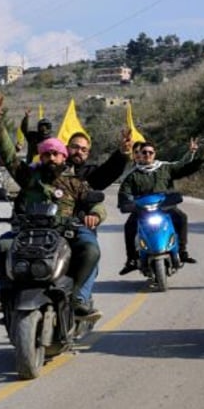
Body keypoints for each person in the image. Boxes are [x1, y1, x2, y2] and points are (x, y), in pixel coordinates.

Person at [0, 92, 106, 318]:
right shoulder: (29, 178)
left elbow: (96, 204)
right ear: (40, 156)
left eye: (55, 154)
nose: (51, 157)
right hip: (29, 232)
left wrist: (96, 216)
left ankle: (78, 296)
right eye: (46, 154)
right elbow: (9, 154)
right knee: (0, 247)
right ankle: (6, 294)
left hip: (66, 232)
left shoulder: (74, 182)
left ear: (63, 157)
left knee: (91, 249)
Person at [118, 137, 204, 275]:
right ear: (139, 154)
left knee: (181, 217)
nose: (147, 155)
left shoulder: (165, 168)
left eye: (151, 152)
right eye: (144, 152)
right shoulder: (133, 175)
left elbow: (184, 168)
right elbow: (124, 193)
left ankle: (182, 251)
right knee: (129, 226)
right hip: (142, 210)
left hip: (165, 207)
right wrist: (126, 204)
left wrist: (201, 158)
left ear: (155, 154)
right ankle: (131, 259)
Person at [64, 129, 133, 315]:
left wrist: (122, 153)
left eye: (83, 150)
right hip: (49, 228)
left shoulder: (89, 174)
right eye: (75, 147)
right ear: (66, 148)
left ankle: (80, 298)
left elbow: (108, 172)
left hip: (79, 227)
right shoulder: (51, 169)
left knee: (91, 255)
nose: (79, 152)